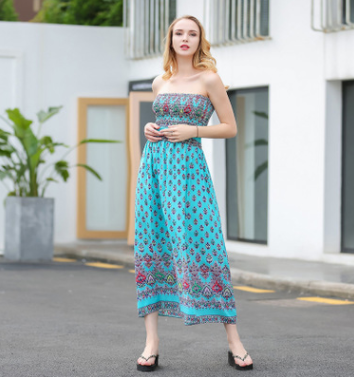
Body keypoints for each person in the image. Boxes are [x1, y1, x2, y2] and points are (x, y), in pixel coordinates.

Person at [134, 14, 254, 372]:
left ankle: (234, 342)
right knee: (152, 245)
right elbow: (159, 121)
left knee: (205, 244)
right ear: (170, 39)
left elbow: (231, 128)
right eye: (179, 33)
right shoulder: (160, 81)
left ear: (200, 41)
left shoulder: (210, 79)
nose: (184, 38)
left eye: (192, 34)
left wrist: (194, 131)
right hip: (154, 171)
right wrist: (149, 126)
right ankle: (151, 343)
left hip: (189, 174)